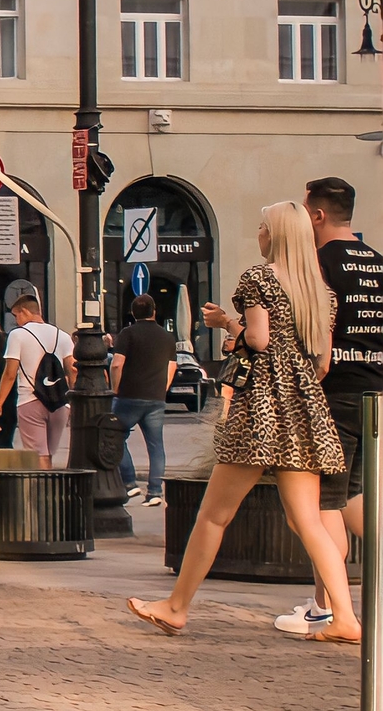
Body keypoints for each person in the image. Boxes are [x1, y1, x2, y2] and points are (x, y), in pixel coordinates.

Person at [128, 202, 353, 642]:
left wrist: (224, 322)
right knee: (309, 520)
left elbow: (257, 339)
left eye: (262, 227)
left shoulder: (259, 278)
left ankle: (176, 607)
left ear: (276, 235)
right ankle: (344, 616)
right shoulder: (320, 292)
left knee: (214, 515)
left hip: (262, 408)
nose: (259, 233)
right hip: (305, 408)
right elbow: (323, 362)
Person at [289, 177, 382, 636]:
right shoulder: (378, 264)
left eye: (306, 212)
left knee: (324, 503)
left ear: (318, 215)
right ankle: (328, 607)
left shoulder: (317, 266)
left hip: (334, 394)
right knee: (356, 498)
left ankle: (327, 609)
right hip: (376, 396)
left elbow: (313, 336)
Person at [0, 285, 74, 469]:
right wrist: (73, 403)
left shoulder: (18, 335)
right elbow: (72, 370)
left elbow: (10, 374)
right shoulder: (64, 336)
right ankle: (50, 494)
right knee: (49, 456)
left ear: (25, 311)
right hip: (60, 404)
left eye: (16, 316)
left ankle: (41, 496)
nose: (16, 321)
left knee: (37, 457)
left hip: (30, 401)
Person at [109, 293, 176, 506]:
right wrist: (162, 388)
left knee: (115, 437)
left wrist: (115, 388)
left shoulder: (127, 334)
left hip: (129, 396)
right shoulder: (167, 337)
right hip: (155, 398)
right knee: (156, 446)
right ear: (154, 311)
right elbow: (172, 366)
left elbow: (117, 364)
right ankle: (155, 492)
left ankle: (130, 483)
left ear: (133, 313)